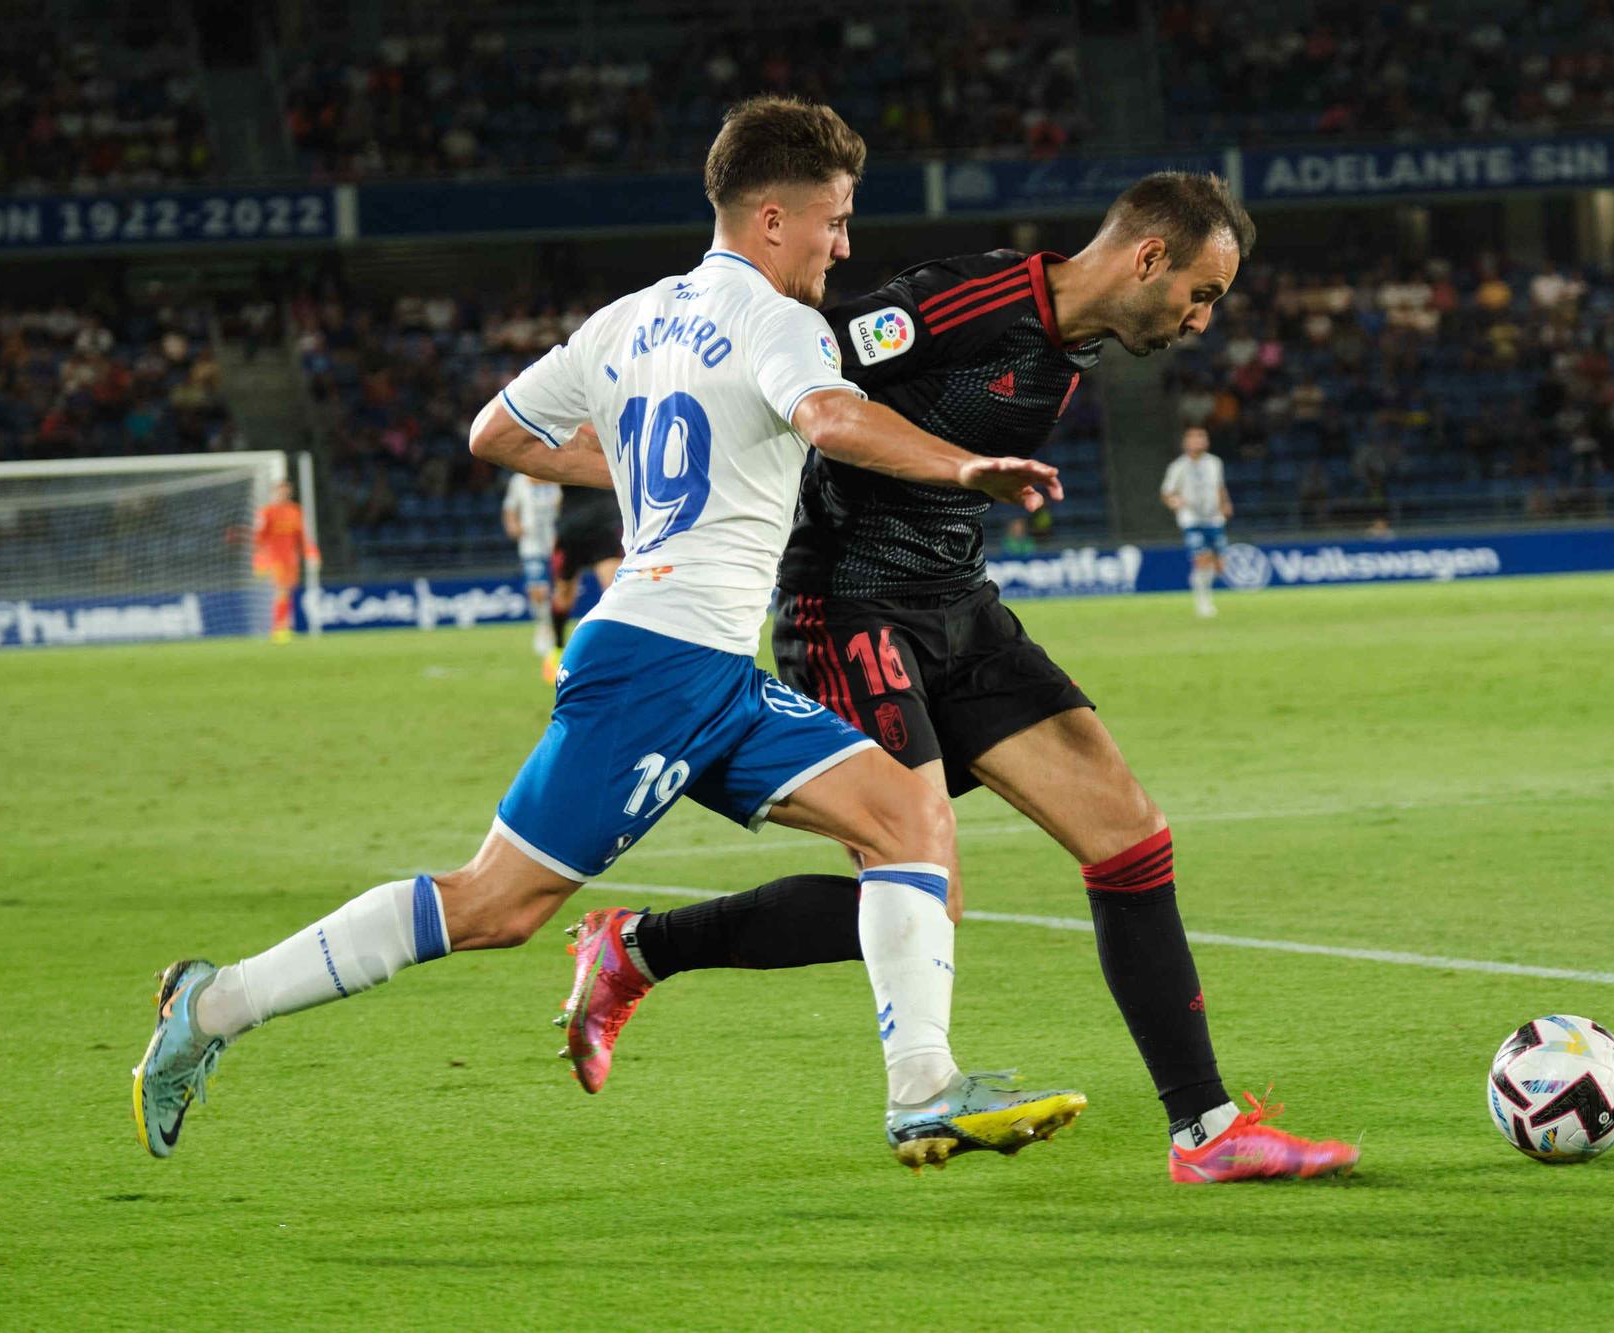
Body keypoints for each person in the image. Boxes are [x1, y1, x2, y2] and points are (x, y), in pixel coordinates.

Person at [134, 96, 1084, 1172]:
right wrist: (961, 464)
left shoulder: (625, 321)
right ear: (771, 218)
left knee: (909, 827)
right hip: (656, 663)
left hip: (709, 667)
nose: (845, 244)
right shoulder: (780, 324)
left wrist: (636, 469)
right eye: (835, 219)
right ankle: (212, 1006)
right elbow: (827, 418)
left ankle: (922, 1090)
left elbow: (496, 431)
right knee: (494, 903)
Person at [574, 172, 1360, 1184]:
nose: (1202, 320)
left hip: (957, 607)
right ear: (1147, 258)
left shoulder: (1066, 347)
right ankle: (638, 951)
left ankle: (1205, 1130)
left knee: (1125, 831)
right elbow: (796, 369)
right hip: (848, 604)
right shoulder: (971, 301)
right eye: (1201, 293)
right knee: (918, 896)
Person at [540, 472, 624, 679]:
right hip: (571, 529)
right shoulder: (565, 446)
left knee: (616, 592)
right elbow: (535, 476)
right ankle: (557, 649)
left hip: (605, 525)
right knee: (564, 596)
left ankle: (613, 654)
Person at [1161, 425, 1233, 617]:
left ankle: (1198, 582)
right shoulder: (1178, 467)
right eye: (1194, 438)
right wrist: (1174, 502)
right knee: (1202, 559)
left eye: (1201, 437)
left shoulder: (1215, 463)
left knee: (1219, 565)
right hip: (1191, 518)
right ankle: (1203, 602)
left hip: (1214, 518)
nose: (1198, 442)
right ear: (1186, 443)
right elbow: (1167, 492)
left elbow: (1219, 486)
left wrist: (1225, 503)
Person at [502, 471, 562, 661]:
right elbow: (510, 508)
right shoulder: (519, 480)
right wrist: (513, 525)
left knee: (558, 590)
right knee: (538, 590)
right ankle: (543, 627)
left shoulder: (558, 475)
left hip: (556, 541)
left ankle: (555, 627)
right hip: (531, 543)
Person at [252, 480, 317, 643]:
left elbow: (302, 535)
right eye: (280, 492)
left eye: (286, 492)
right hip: (274, 557)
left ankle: (284, 626)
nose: (283, 495)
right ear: (274, 493)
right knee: (281, 590)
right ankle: (279, 629)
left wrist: (311, 552)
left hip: (291, 558)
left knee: (287, 591)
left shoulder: (295, 511)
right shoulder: (266, 512)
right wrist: (259, 559)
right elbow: (258, 538)